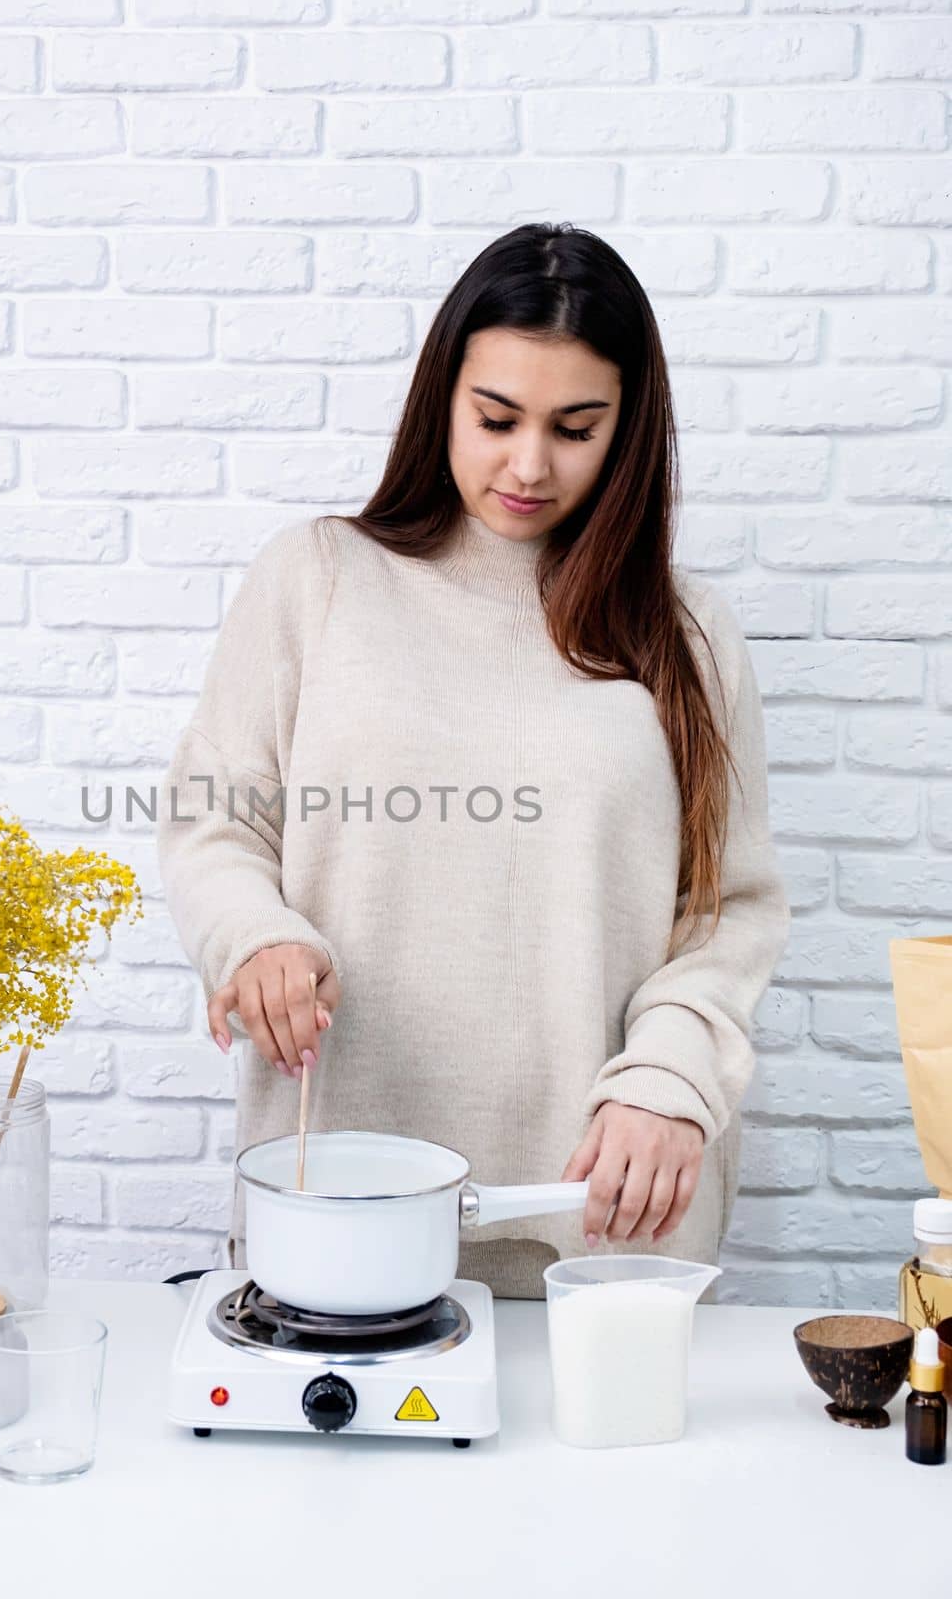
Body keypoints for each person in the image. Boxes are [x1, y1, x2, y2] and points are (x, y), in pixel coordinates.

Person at [156, 221, 791, 1299]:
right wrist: (255, 939)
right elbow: (217, 823)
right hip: (340, 1197)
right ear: (440, 398)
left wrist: (671, 1077)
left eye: (575, 427)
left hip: (600, 1211)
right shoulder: (317, 579)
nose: (528, 465)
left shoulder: (683, 634)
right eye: (495, 419)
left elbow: (724, 908)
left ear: (627, 431)